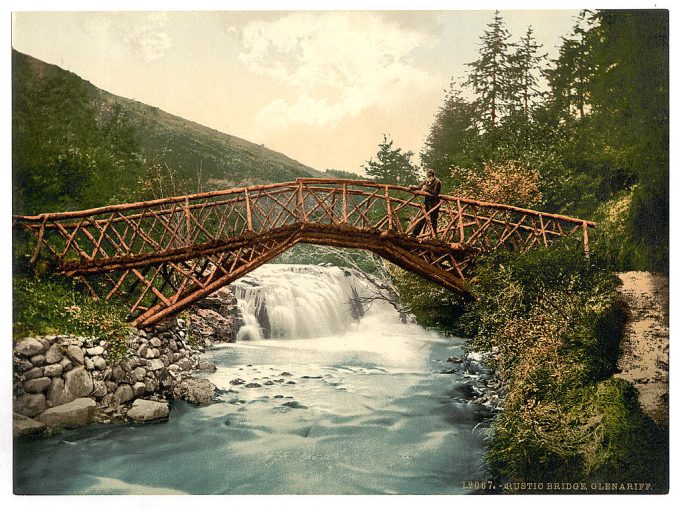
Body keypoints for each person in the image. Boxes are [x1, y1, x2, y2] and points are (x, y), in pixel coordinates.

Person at [409, 169, 442, 238]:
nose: (428, 179)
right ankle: (414, 234)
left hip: (434, 203)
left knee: (433, 220)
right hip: (427, 202)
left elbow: (435, 194)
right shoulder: (426, 181)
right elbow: (419, 187)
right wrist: (413, 187)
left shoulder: (437, 182)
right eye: (428, 177)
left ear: (433, 176)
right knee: (422, 218)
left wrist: (426, 189)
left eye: (430, 177)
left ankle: (434, 237)